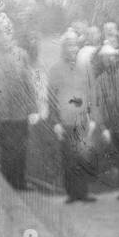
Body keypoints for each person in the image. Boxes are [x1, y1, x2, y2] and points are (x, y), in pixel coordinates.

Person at [0, 14, 39, 191]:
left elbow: (29, 83)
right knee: (6, 151)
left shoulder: (22, 55)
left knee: (21, 149)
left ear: (12, 34)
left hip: (20, 111)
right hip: (2, 113)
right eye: (0, 33)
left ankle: (20, 182)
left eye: (7, 32)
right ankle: (7, 184)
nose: (4, 36)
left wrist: (33, 108)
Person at [47, 30, 97, 203]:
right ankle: (72, 194)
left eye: (75, 45)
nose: (72, 48)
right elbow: (51, 97)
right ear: (63, 48)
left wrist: (93, 118)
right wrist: (55, 123)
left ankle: (83, 192)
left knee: (83, 155)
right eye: (69, 45)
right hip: (65, 121)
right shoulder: (55, 69)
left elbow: (92, 93)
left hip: (83, 119)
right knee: (68, 157)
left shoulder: (86, 67)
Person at [88, 42, 119, 198]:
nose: (110, 61)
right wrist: (104, 129)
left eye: (112, 58)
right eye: (106, 59)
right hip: (113, 127)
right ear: (102, 61)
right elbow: (98, 107)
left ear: (117, 59)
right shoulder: (100, 81)